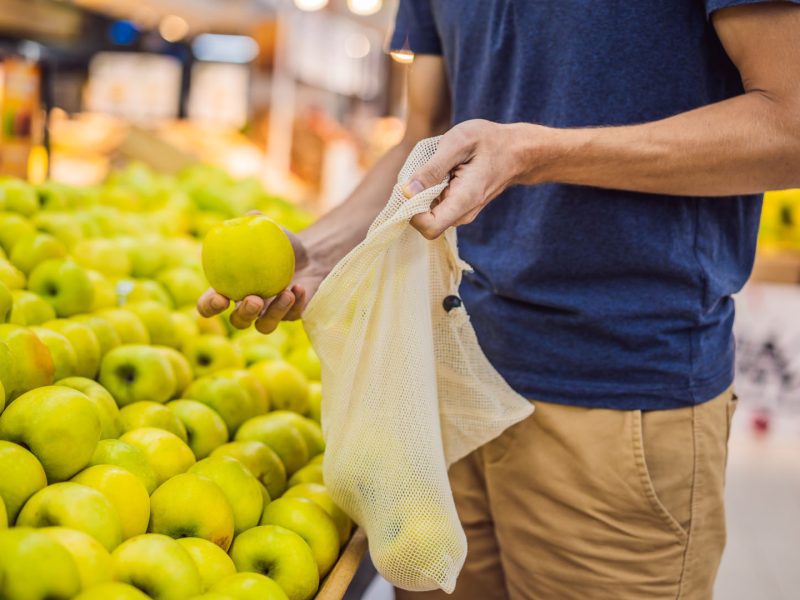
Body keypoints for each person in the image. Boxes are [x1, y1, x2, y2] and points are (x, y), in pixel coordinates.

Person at [199, 1, 800, 598]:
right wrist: (321, 248)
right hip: (444, 382)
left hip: (618, 398)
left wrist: (543, 154)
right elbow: (424, 139)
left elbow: (789, 125)